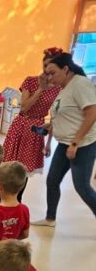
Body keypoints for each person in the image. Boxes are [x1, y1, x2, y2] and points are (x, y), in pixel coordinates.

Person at [32, 51, 96, 226]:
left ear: (66, 69)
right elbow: (68, 114)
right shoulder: (64, 88)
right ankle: (50, 218)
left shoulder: (80, 84)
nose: (49, 77)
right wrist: (51, 126)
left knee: (82, 186)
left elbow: (92, 113)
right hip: (65, 143)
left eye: (52, 73)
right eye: (47, 73)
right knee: (52, 180)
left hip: (82, 145)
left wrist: (75, 143)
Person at [3, 48, 62, 174]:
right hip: (20, 125)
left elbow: (54, 117)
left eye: (51, 66)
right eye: (45, 65)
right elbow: (24, 108)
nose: (47, 70)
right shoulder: (30, 81)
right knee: (9, 168)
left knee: (25, 170)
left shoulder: (58, 88)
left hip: (37, 129)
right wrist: (40, 89)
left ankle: (20, 188)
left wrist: (48, 143)